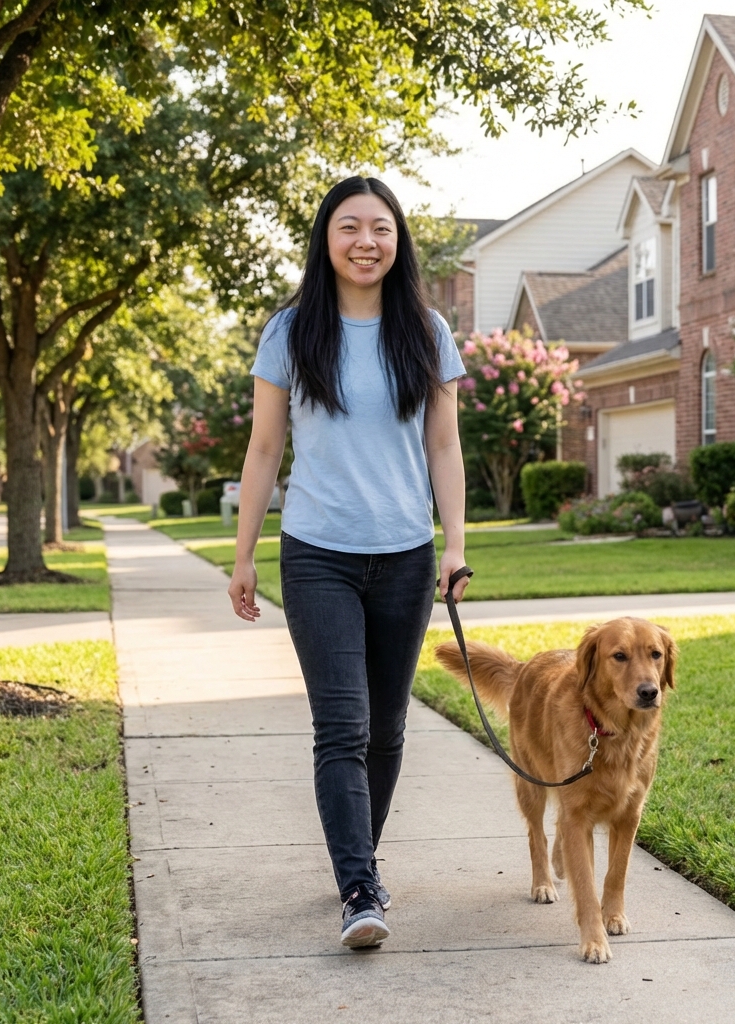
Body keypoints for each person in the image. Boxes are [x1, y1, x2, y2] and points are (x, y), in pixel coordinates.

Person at [227, 176, 470, 950]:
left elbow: (443, 444)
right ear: (325, 240)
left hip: (404, 553)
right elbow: (265, 449)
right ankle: (360, 888)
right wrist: (244, 558)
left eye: (382, 228)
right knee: (343, 724)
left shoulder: (425, 330)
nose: (367, 241)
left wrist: (455, 543)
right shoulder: (293, 330)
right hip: (318, 553)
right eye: (350, 227)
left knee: (388, 729)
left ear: (399, 242)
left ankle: (359, 860)